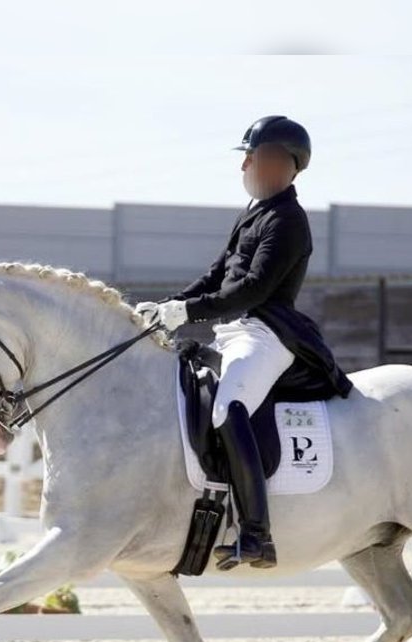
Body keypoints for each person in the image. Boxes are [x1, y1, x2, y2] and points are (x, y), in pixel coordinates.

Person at [137, 114, 354, 570]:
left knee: (227, 409)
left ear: (283, 164)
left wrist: (186, 313)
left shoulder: (289, 221)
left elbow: (252, 290)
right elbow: (217, 276)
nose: (245, 167)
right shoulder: (254, 214)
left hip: (268, 332)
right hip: (233, 332)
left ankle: (257, 534)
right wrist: (167, 307)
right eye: (247, 158)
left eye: (252, 158)